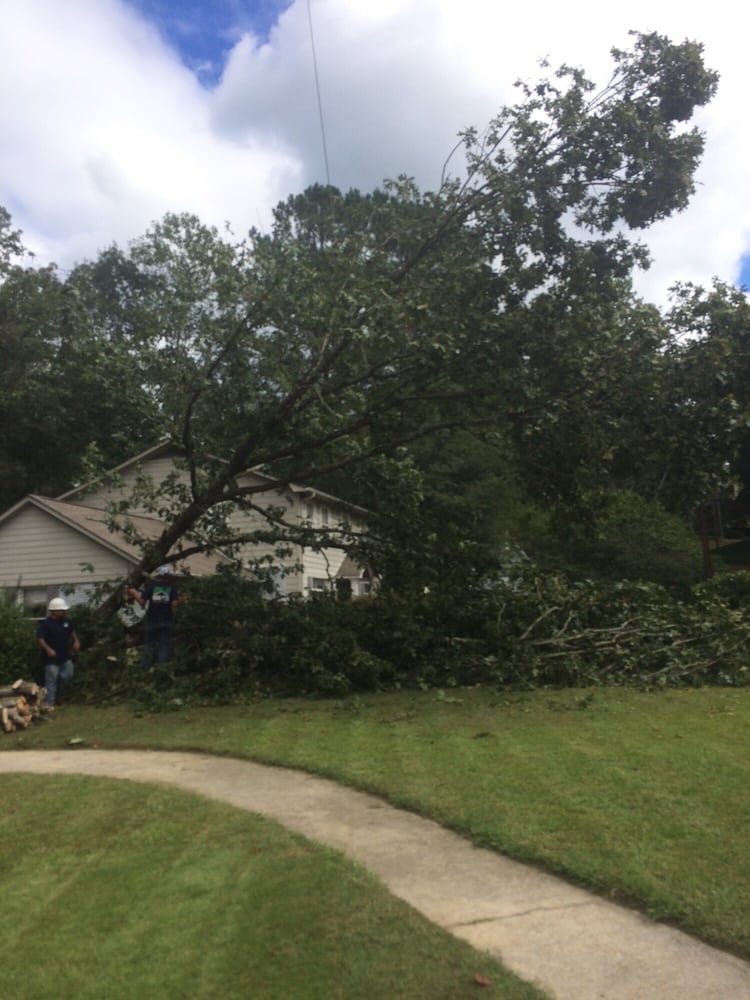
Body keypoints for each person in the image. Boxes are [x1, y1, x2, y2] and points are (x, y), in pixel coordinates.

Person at [126, 565, 186, 667]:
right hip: (167, 620)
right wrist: (183, 599)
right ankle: (161, 668)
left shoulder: (152, 587)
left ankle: (146, 665)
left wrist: (134, 592)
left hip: (152, 620)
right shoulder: (171, 588)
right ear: (168, 576)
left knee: (149, 644)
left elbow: (142, 602)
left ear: (158, 575)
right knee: (164, 644)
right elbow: (175, 604)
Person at [37, 597, 80, 708]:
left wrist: (76, 640)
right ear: (54, 611)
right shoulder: (46, 624)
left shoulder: (66, 622)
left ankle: (58, 696)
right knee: (51, 680)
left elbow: (71, 631)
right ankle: (50, 703)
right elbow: (40, 638)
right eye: (61, 610)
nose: (63, 612)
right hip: (51, 658)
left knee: (68, 674)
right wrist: (48, 649)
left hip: (64, 656)